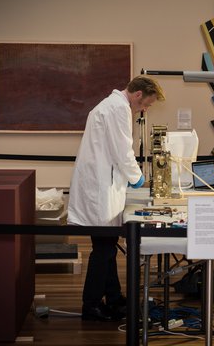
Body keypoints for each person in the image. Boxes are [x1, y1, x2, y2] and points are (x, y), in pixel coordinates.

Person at [67, 75, 165, 321]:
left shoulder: (111, 105)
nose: (144, 110)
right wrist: (139, 180)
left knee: (107, 247)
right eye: (146, 105)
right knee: (102, 250)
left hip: (101, 185)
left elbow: (118, 152)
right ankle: (90, 306)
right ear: (138, 94)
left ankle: (113, 297)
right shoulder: (118, 108)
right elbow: (123, 152)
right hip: (99, 188)